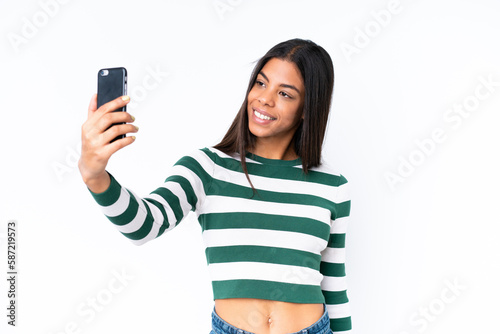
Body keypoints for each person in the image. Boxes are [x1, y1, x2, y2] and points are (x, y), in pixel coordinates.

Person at [78, 38, 352, 334]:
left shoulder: (332, 185)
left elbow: (334, 287)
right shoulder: (208, 168)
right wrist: (95, 175)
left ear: (306, 109)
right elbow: (143, 225)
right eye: (261, 83)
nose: (264, 99)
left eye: (285, 93)